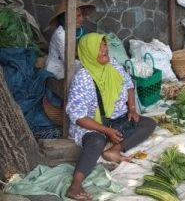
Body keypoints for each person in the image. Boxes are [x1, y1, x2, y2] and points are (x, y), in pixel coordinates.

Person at [65, 33, 156, 200]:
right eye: (99, 48)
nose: (104, 50)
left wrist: (133, 109)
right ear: (89, 53)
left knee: (148, 123)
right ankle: (76, 185)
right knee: (96, 142)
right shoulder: (83, 78)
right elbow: (78, 116)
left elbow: (129, 85)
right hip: (93, 124)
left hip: (118, 119)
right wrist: (105, 130)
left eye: (104, 45)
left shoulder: (113, 64)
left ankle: (115, 150)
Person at [45, 0, 95, 80]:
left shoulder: (82, 30)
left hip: (74, 63)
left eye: (81, 15)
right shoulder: (60, 34)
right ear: (66, 18)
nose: (81, 19)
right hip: (58, 66)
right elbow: (68, 61)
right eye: (77, 16)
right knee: (85, 75)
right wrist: (87, 65)